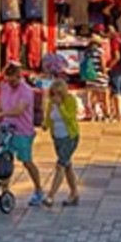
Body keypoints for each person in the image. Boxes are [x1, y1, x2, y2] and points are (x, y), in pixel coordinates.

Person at [0, 63, 45, 206]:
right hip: (6, 128)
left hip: (23, 130)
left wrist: (1, 114)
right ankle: (3, 191)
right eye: (8, 80)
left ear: (18, 77)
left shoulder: (26, 91)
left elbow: (19, 110)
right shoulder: (5, 86)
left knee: (27, 161)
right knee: (4, 160)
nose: (10, 84)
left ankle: (39, 189)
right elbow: (1, 105)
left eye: (13, 81)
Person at [42, 79, 81, 207]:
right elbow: (49, 117)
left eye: (58, 94)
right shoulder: (51, 103)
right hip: (57, 138)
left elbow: (70, 118)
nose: (55, 97)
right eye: (53, 94)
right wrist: (45, 125)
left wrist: (61, 106)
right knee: (67, 165)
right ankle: (74, 193)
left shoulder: (70, 101)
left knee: (60, 165)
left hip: (69, 137)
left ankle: (51, 196)